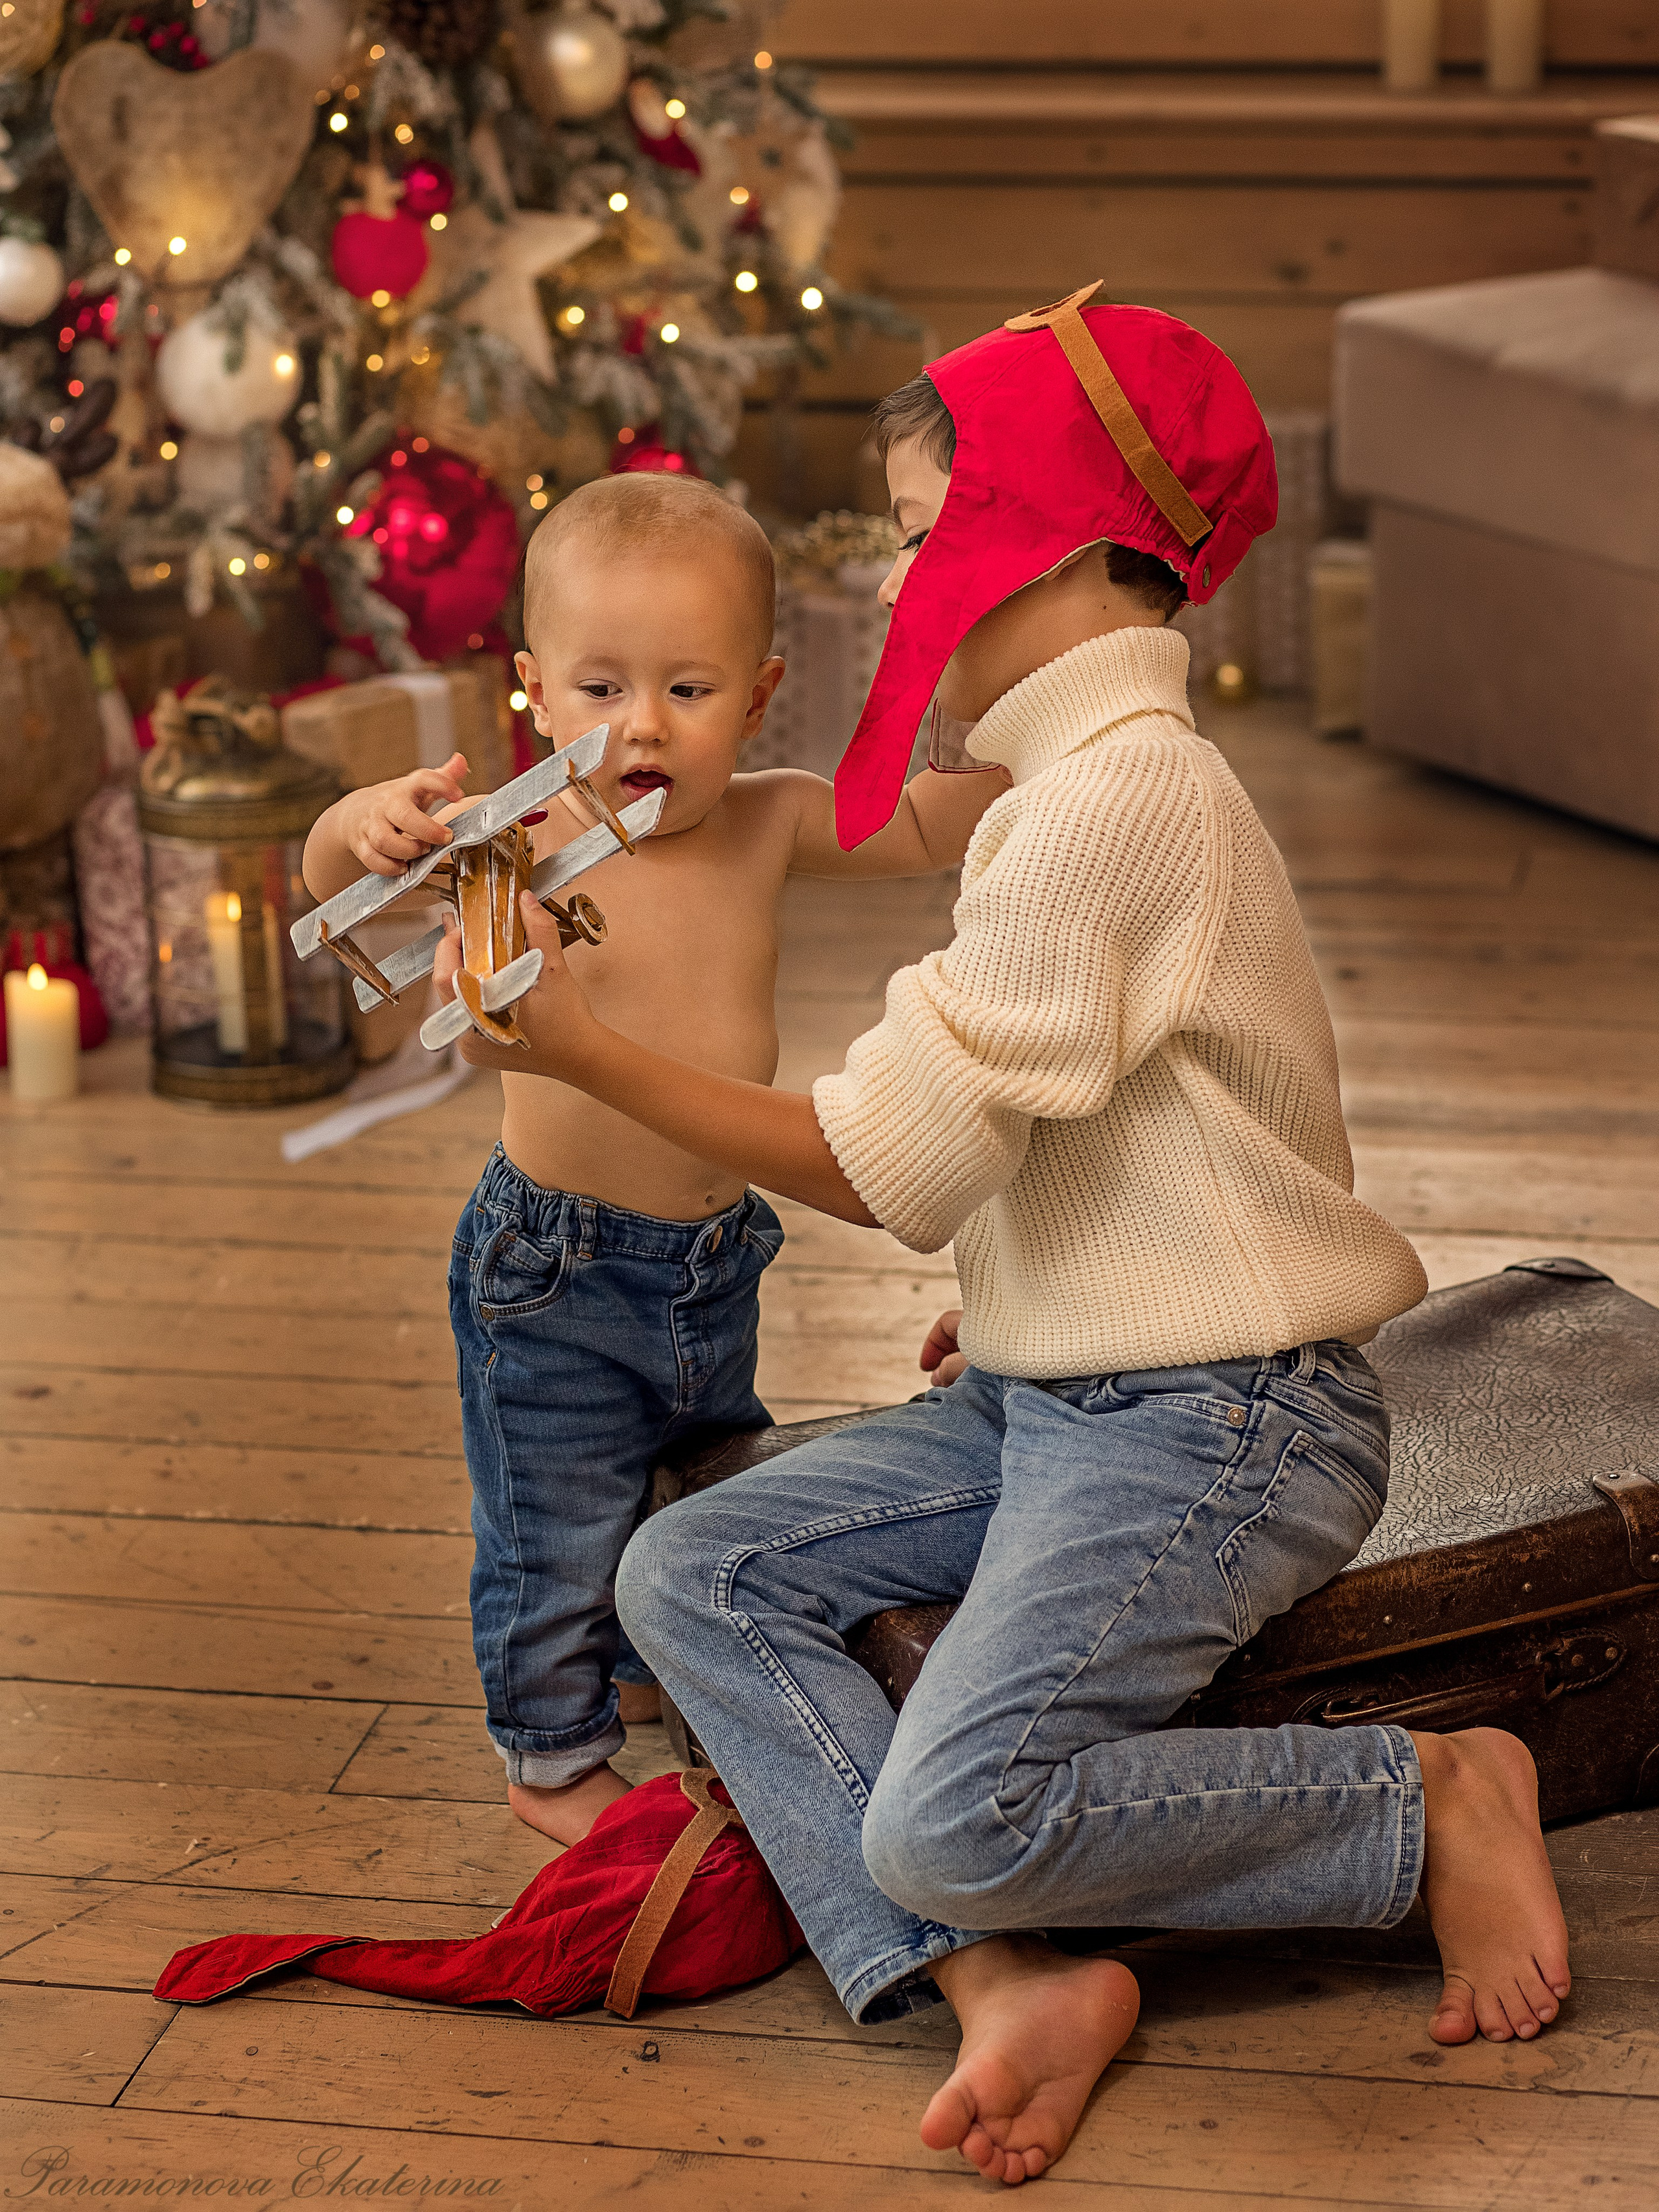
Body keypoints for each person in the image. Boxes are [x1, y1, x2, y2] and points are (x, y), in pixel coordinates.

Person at [432, 290, 1573, 2187]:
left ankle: (1426, 1793)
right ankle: (1001, 1976)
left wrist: (577, 1049)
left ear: (1031, 536)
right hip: (1075, 1385)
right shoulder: (1072, 788)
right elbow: (1100, 1127)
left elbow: (886, 1164)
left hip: (1224, 1418)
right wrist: (1044, 1281)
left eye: (907, 538)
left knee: (953, 1810)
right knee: (689, 1572)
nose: (890, 590)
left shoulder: (1106, 808)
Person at [301, 471, 1008, 1846]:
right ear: (534, 694)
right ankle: (548, 1753)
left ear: (756, 695)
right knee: (553, 1514)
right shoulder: (518, 835)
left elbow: (927, 825)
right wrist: (365, 820)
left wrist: (1050, 743)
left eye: (688, 691)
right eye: (601, 689)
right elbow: (341, 881)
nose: (641, 728)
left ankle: (636, 1670)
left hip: (711, 1251)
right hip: (552, 1263)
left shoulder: (769, 817)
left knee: (691, 1469)